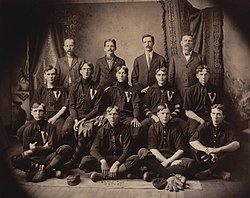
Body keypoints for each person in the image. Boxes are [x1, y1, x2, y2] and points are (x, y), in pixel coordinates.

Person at [11, 103, 73, 183]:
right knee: (15, 159)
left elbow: (51, 148)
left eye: (40, 111)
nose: (38, 113)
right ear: (31, 113)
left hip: (48, 157)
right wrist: (42, 148)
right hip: (33, 159)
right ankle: (50, 172)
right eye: (35, 111)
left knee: (66, 149)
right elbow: (26, 152)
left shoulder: (51, 127)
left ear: (45, 112)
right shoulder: (27, 129)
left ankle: (44, 171)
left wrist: (35, 148)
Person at [79, 106, 141, 182]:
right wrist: (102, 161)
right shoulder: (102, 129)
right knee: (85, 160)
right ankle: (122, 174)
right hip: (107, 159)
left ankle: (102, 176)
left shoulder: (125, 129)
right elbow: (93, 149)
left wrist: (116, 164)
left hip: (120, 159)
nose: (112, 117)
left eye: (115, 114)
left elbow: (126, 151)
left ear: (119, 116)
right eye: (110, 114)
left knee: (136, 159)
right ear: (107, 116)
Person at [138, 104, 195, 184]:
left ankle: (156, 173)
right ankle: (169, 174)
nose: (165, 116)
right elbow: (152, 149)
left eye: (167, 114)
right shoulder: (153, 128)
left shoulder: (176, 128)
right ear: (158, 114)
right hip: (158, 160)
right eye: (162, 113)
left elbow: (181, 150)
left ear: (170, 114)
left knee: (191, 163)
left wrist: (170, 161)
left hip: (173, 159)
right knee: (142, 152)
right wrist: (166, 162)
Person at [189, 104, 240, 180]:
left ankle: (209, 172)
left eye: (218, 114)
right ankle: (218, 172)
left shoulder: (229, 127)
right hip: (207, 156)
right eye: (213, 113)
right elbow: (192, 141)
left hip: (221, 157)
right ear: (210, 114)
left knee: (230, 152)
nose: (215, 117)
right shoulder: (205, 126)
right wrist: (207, 150)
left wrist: (218, 150)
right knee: (195, 149)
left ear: (224, 116)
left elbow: (237, 144)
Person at [62, 62, 103, 149]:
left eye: (89, 69)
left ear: (92, 72)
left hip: (90, 116)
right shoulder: (74, 86)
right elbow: (72, 106)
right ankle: (71, 151)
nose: (86, 71)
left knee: (88, 132)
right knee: (66, 130)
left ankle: (83, 153)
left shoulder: (97, 88)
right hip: (75, 115)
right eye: (84, 69)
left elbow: (96, 109)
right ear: (80, 71)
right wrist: (76, 120)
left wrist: (84, 119)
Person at [102, 65, 142, 148]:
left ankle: (130, 150)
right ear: (116, 75)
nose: (121, 75)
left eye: (123, 73)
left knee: (135, 128)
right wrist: (105, 115)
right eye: (119, 73)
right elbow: (105, 105)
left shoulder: (132, 90)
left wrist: (135, 117)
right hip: (113, 115)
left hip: (126, 116)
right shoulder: (110, 90)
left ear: (127, 75)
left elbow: (136, 104)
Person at [142, 67, 185, 139]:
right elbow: (144, 107)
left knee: (184, 125)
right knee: (143, 125)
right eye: (159, 75)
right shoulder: (151, 90)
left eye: (163, 75)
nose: (161, 77)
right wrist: (153, 116)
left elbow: (178, 107)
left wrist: (171, 116)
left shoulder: (173, 89)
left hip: (169, 116)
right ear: (155, 76)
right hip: (154, 117)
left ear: (167, 76)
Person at [183, 65, 222, 139]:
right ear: (197, 76)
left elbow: (219, 107)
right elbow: (187, 111)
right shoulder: (190, 91)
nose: (204, 77)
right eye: (201, 74)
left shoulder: (215, 89)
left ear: (209, 75)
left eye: (206, 74)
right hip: (195, 117)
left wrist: (214, 117)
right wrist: (200, 120)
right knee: (192, 132)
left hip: (211, 116)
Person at [32, 65, 68, 145]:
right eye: (48, 74)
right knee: (23, 131)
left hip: (57, 117)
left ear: (56, 75)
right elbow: (34, 104)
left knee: (59, 132)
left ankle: (52, 151)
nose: (51, 76)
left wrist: (54, 118)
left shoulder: (61, 89)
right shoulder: (40, 89)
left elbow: (65, 106)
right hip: (43, 116)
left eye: (53, 74)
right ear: (45, 76)